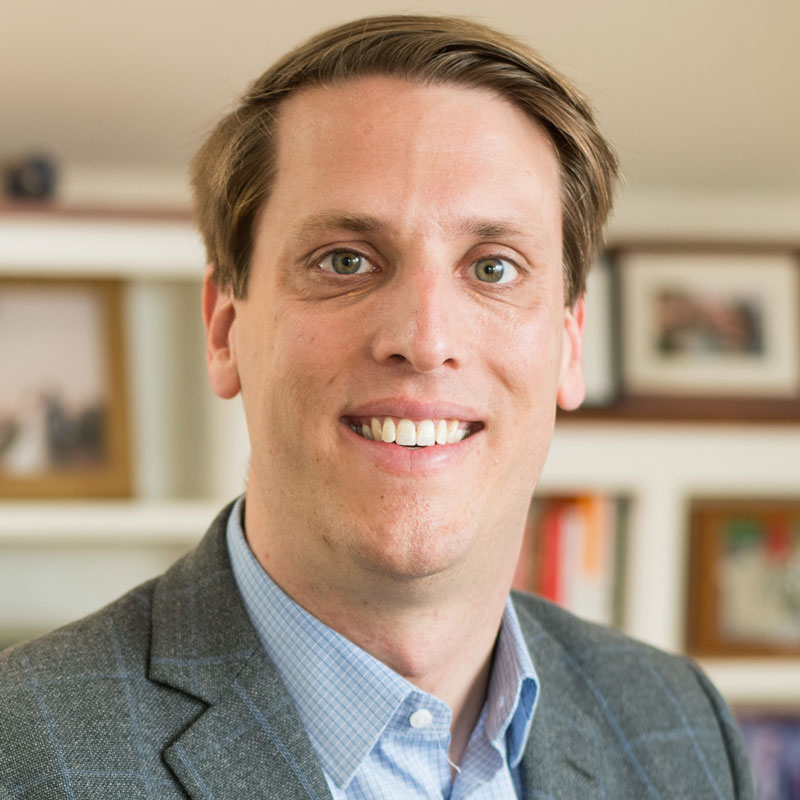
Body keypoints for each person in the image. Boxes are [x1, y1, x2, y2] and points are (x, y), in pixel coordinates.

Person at [0, 14, 753, 799]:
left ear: (570, 346)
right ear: (226, 331)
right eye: (346, 260)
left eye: (493, 268)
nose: (425, 340)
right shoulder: (18, 751)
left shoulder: (681, 726)